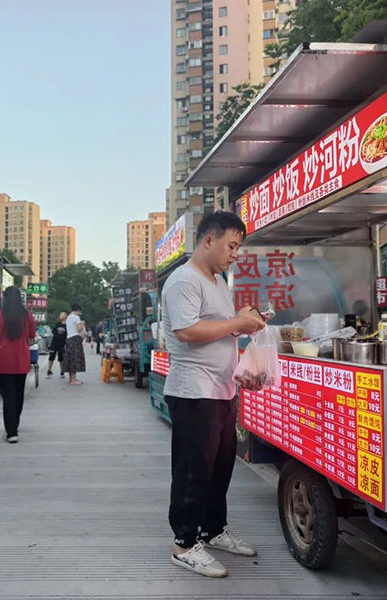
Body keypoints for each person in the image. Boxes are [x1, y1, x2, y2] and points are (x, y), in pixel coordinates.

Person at [162, 211, 265, 578]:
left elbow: (219, 328)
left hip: (222, 390)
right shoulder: (184, 281)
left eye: (238, 247)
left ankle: (212, 530)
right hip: (194, 392)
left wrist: (242, 325)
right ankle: (185, 544)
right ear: (209, 240)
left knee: (219, 467)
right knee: (194, 471)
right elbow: (187, 331)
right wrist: (237, 322)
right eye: (231, 246)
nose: (235, 254)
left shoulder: (218, 281)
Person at [0, 286, 37, 443]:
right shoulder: (27, 315)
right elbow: (32, 334)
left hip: (4, 361)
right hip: (21, 361)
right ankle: (14, 423)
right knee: (19, 394)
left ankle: (11, 431)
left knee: (8, 396)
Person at [63, 304, 86, 386]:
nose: (80, 314)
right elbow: (79, 329)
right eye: (80, 312)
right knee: (74, 359)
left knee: (70, 359)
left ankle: (71, 379)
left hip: (69, 339)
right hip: (75, 339)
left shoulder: (68, 317)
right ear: (78, 310)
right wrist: (82, 323)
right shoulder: (76, 317)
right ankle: (73, 380)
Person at [47, 311, 68, 378]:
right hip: (54, 343)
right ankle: (49, 371)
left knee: (61, 357)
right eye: (60, 314)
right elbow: (53, 332)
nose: (60, 315)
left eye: (62, 314)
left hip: (62, 344)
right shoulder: (57, 324)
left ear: (65, 316)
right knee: (51, 357)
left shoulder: (67, 325)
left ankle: (62, 371)